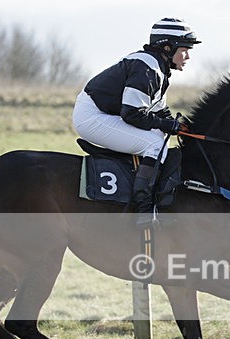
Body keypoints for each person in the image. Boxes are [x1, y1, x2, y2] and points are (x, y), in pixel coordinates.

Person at [72, 18, 200, 226]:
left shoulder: (157, 68)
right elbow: (131, 114)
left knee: (160, 138)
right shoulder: (147, 67)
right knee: (154, 143)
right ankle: (144, 207)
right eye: (184, 50)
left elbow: (159, 111)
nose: (187, 56)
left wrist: (181, 127)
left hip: (103, 113)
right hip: (92, 117)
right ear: (167, 47)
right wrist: (168, 126)